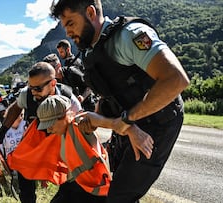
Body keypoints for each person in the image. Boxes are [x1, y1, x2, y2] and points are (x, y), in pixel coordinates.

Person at [51, 1, 190, 202]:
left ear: (90, 12)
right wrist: (95, 120)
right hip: (129, 124)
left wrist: (126, 120)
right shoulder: (93, 50)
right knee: (99, 185)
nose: (67, 33)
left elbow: (176, 79)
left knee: (120, 196)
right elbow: (113, 93)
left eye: (71, 23)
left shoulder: (130, 35)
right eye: (65, 26)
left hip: (158, 122)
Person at [0, 61, 82, 203]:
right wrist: (4, 129)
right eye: (31, 87)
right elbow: (16, 108)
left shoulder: (69, 99)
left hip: (59, 142)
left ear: (53, 84)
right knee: (23, 168)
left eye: (38, 89)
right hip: (36, 138)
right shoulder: (27, 95)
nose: (33, 93)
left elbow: (81, 124)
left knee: (70, 177)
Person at [37, 95, 112, 203]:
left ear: (64, 116)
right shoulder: (63, 132)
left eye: (51, 125)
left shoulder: (79, 124)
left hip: (92, 190)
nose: (48, 130)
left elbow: (92, 120)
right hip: (74, 186)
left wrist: (117, 124)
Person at [0, 109, 26, 177]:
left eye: (21, 115)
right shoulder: (4, 129)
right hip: (9, 159)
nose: (20, 117)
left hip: (24, 158)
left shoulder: (25, 125)